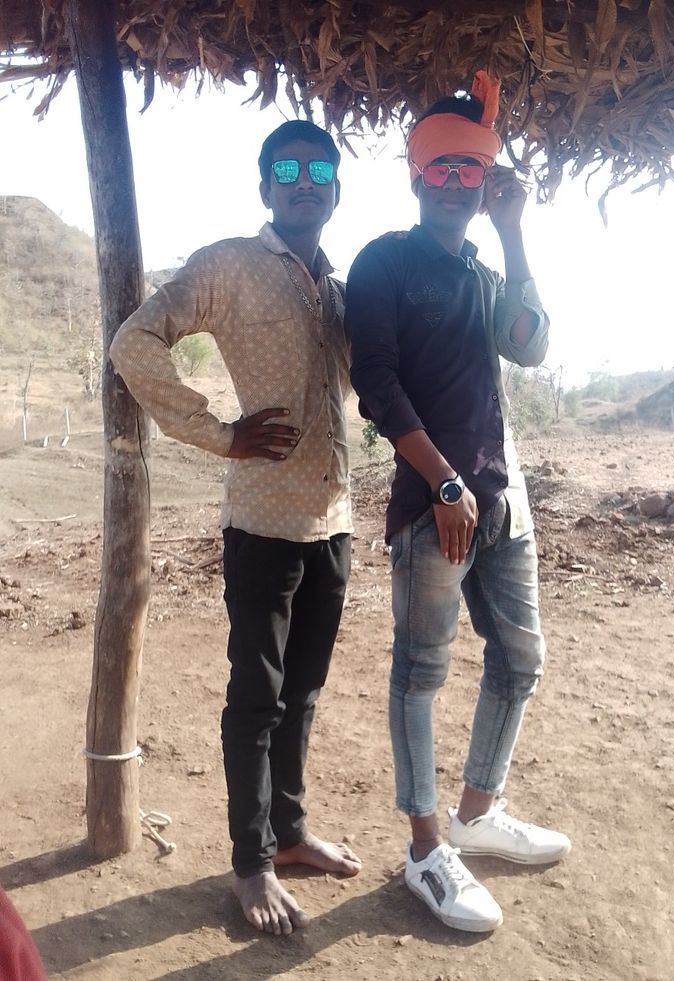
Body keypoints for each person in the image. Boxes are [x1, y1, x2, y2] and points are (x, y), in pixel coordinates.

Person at [111, 119, 360, 936]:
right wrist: (219, 430)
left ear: (334, 187)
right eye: (284, 167)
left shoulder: (337, 286)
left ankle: (288, 835)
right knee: (255, 699)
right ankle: (250, 863)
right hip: (261, 525)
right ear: (264, 187)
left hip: (333, 524)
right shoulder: (228, 264)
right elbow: (133, 341)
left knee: (305, 692)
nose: (302, 179)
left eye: (318, 167)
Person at [347, 72, 570, 933]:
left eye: (468, 171)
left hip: (501, 501)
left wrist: (515, 238)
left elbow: (532, 346)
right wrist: (442, 481)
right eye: (439, 168)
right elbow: (376, 382)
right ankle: (425, 849)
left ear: (485, 183)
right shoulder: (384, 262)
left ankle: (479, 812)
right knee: (422, 671)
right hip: (431, 504)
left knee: (520, 658)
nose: (452, 183)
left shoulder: (482, 267)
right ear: (415, 177)